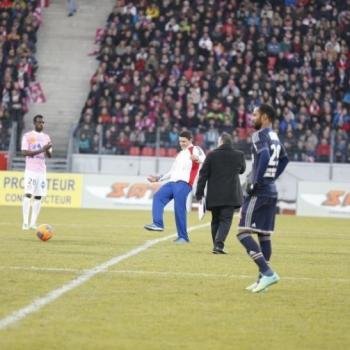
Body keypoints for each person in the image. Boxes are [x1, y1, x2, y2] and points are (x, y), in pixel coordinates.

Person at [237, 104, 289, 293]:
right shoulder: (274, 136)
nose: (252, 117)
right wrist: (271, 178)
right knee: (263, 235)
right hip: (271, 190)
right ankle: (262, 281)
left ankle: (267, 273)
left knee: (242, 233)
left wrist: (256, 182)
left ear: (265, 117)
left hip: (259, 191)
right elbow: (285, 158)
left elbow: (265, 155)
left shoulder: (260, 135)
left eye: (255, 114)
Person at [144, 130, 205, 243]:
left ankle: (183, 237)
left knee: (179, 207)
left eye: (184, 141)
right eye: (180, 141)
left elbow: (204, 159)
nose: (182, 143)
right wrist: (158, 178)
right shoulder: (180, 154)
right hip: (172, 182)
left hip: (184, 183)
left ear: (190, 140)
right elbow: (172, 171)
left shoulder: (195, 149)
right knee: (158, 197)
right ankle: (158, 224)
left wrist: (197, 158)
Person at [196, 132, 246, 254]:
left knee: (215, 220)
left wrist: (199, 192)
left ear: (221, 142)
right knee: (226, 220)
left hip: (214, 195)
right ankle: (218, 245)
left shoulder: (211, 155)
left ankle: (217, 245)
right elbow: (242, 170)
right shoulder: (239, 155)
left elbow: (203, 175)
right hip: (230, 195)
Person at [21, 115, 52, 230]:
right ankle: (25, 222)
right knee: (28, 194)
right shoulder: (28, 136)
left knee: (39, 196)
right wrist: (42, 149)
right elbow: (24, 153)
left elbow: (49, 155)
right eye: (39, 122)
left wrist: (48, 149)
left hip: (42, 171)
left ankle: (33, 223)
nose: (41, 124)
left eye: (43, 122)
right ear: (34, 123)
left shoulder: (47, 137)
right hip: (30, 170)